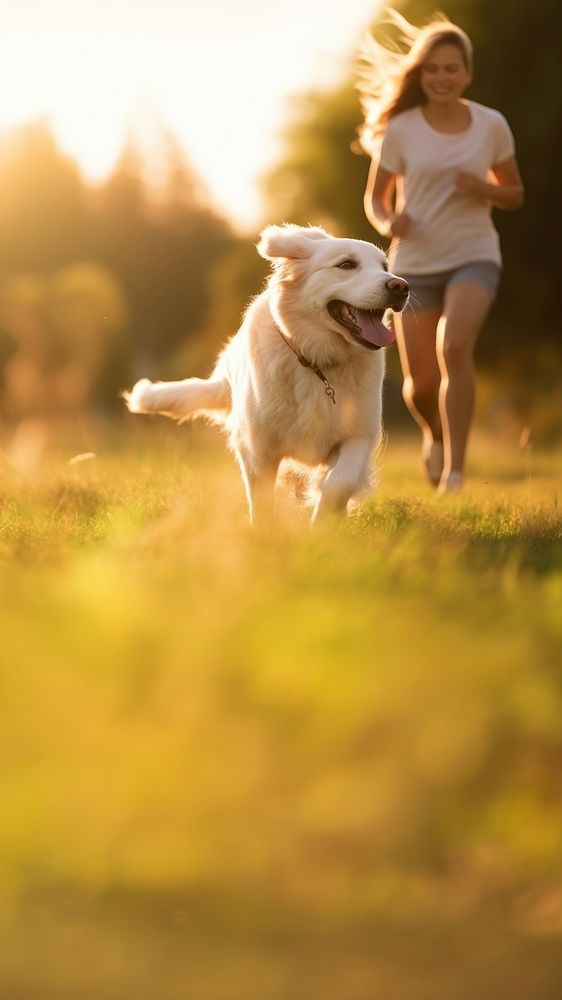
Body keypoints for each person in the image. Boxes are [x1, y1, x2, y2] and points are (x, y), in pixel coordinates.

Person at [357, 10, 524, 492]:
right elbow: (376, 198)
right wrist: (390, 221)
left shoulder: (491, 125)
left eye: (451, 69)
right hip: (414, 265)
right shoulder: (403, 128)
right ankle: (435, 434)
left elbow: (514, 193)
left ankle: (456, 471)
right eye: (432, 69)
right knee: (422, 385)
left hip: (474, 256)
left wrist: (484, 188)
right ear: (420, 74)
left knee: (455, 347)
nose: (442, 78)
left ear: (467, 73)